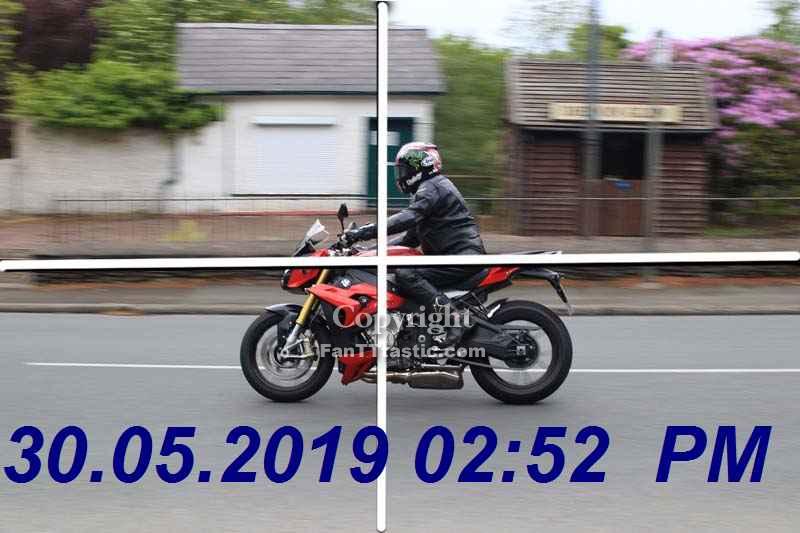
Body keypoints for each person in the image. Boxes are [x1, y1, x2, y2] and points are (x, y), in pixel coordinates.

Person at [344, 142, 486, 347]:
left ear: (420, 168)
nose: (401, 176)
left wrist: (363, 232)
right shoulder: (431, 188)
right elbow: (409, 239)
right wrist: (368, 252)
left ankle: (455, 321)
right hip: (455, 255)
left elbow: (408, 217)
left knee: (406, 274)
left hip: (461, 256)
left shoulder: (432, 187)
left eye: (404, 170)